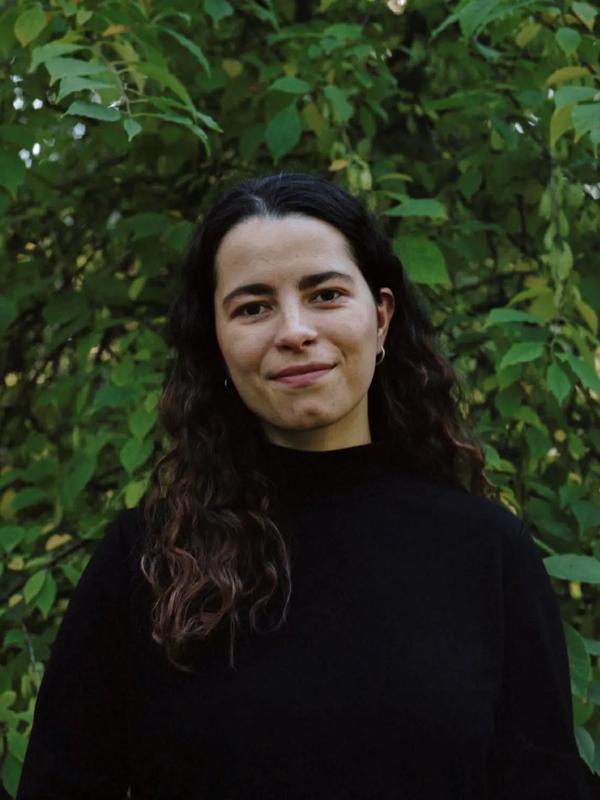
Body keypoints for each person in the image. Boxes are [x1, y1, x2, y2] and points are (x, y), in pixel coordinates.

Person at [17, 172, 591, 799]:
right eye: (253, 307)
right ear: (216, 341)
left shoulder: (487, 553)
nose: (294, 331)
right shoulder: (148, 561)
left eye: (325, 295)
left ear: (381, 317)